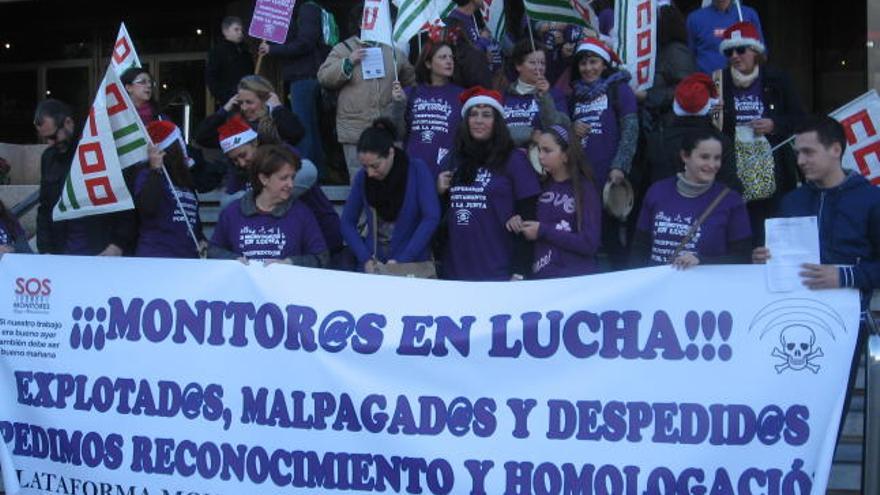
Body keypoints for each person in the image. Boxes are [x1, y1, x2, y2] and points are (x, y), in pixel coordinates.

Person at [752, 116, 880, 308]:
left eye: (808, 152)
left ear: (836, 150)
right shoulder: (790, 202)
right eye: (797, 153)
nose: (801, 161)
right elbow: (778, 263)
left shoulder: (871, 199)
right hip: (794, 313)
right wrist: (763, 259)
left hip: (851, 321)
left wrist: (845, 276)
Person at [436, 87, 541, 281]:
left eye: (486, 115)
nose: (478, 120)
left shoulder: (513, 159)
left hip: (499, 272)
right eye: (473, 114)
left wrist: (519, 271)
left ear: (497, 122)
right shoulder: (452, 159)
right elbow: (439, 218)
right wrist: (440, 193)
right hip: (454, 272)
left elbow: (529, 216)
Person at [716, 22, 804, 245]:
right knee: (738, 225)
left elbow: (800, 119)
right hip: (733, 164)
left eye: (741, 50)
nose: (735, 56)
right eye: (729, 51)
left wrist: (774, 125)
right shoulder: (719, 82)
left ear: (755, 51)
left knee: (771, 227)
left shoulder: (777, 79)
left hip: (773, 166)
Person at [215, 115, 344, 261]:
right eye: (235, 160)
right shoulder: (240, 171)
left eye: (243, 155)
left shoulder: (280, 154)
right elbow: (227, 204)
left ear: (255, 142)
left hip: (321, 233)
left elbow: (309, 172)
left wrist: (265, 193)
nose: (241, 163)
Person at [317, 4, 416, 182]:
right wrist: (349, 61)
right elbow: (324, 77)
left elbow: (411, 83)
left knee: (391, 184)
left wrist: (403, 94)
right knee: (360, 183)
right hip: (355, 131)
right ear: (360, 23)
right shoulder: (343, 49)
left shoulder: (395, 53)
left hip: (387, 129)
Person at [633, 127, 751, 268]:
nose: (712, 165)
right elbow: (639, 248)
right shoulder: (657, 191)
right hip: (660, 287)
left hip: (706, 287)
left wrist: (702, 261)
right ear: (685, 156)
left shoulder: (731, 200)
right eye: (704, 157)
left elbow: (743, 257)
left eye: (717, 158)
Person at [568, 37, 638, 268]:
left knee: (612, 239)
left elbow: (630, 129)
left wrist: (620, 165)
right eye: (583, 63)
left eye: (593, 62)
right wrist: (571, 129)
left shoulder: (619, 90)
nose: (588, 68)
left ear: (604, 64)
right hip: (582, 179)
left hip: (611, 178)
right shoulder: (573, 96)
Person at [34, 99, 136, 256]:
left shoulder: (101, 148)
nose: (50, 143)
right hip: (62, 253)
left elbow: (124, 199)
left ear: (68, 122)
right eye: (45, 138)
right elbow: (45, 209)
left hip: (103, 251)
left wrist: (117, 244)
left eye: (53, 136)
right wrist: (45, 249)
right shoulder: (49, 158)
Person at [341, 119, 440, 273]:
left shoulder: (416, 170)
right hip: (373, 266)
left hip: (411, 265)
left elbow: (431, 217)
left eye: (375, 165)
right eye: (365, 166)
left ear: (391, 153)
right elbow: (347, 221)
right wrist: (365, 258)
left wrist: (403, 259)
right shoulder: (362, 177)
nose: (370, 173)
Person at [209, 145, 329, 266]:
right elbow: (213, 250)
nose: (291, 184)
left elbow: (320, 257)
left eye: (292, 177)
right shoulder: (233, 212)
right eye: (284, 178)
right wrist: (233, 260)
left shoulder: (301, 213)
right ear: (264, 179)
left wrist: (290, 263)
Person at [521, 125, 600, 278]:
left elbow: (590, 243)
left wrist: (543, 231)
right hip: (542, 280)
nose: (540, 156)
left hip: (575, 280)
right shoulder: (537, 186)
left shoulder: (585, 189)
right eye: (539, 150)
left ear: (566, 155)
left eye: (547, 151)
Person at [258, 1, 327, 173]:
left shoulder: (307, 9)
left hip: (304, 75)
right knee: (310, 125)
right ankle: (317, 171)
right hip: (304, 75)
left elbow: (304, 43)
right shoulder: (307, 9)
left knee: (303, 127)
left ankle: (305, 171)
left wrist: (272, 50)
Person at [644, 73, 742, 192]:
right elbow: (730, 189)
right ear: (709, 104)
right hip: (708, 208)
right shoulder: (722, 142)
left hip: (667, 209)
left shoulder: (657, 140)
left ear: (676, 105)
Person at [390, 39, 463, 176]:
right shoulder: (410, 93)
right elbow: (397, 133)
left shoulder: (462, 95)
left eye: (451, 57)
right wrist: (398, 105)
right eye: (443, 57)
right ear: (428, 63)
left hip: (446, 170)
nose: (449, 61)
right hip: (412, 168)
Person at [135, 121, 206, 258]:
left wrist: (202, 240)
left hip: (187, 258)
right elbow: (146, 208)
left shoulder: (185, 181)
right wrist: (155, 170)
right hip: (157, 257)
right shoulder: (148, 174)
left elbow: (193, 222)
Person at [195, 75, 304, 150]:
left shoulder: (277, 121)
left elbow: (295, 134)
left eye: (249, 102)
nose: (244, 108)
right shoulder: (236, 125)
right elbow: (202, 138)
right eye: (241, 102)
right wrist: (224, 110)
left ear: (265, 100)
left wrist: (277, 108)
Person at [502, 38, 569, 148]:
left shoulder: (555, 95)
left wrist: (544, 97)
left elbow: (560, 130)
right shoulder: (503, 96)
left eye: (542, 63)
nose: (539, 68)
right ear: (518, 66)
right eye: (532, 62)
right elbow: (496, 133)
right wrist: (529, 134)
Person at [644, 3, 697, 127]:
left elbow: (687, 89)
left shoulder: (676, 51)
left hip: (671, 125)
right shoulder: (656, 51)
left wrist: (648, 96)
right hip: (655, 123)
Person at [686, 0, 764, 74]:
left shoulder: (748, 15)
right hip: (706, 83)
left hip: (741, 84)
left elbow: (760, 54)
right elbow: (689, 58)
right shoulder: (695, 19)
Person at [444, 0, 496, 89]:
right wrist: (483, 41)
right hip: (466, 90)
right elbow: (461, 57)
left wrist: (483, 56)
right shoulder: (453, 22)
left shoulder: (472, 18)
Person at [206, 16, 255, 105]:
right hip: (229, 100)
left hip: (247, 98)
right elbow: (211, 78)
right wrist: (224, 96)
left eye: (241, 30)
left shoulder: (245, 51)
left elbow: (251, 73)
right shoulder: (218, 51)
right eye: (236, 30)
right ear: (225, 31)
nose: (240, 33)